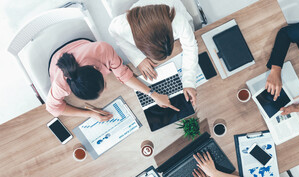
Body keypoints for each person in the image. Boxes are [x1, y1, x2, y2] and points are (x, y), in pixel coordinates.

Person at [47, 39, 179, 121]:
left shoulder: (103, 50)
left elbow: (123, 75)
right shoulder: (60, 84)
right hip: (57, 63)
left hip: (84, 46)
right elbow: (52, 109)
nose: (107, 88)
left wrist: (153, 95)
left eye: (104, 84)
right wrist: (89, 114)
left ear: (96, 68)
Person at [108, 0, 198, 106]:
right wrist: (138, 59)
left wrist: (189, 82)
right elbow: (112, 31)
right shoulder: (123, 26)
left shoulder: (176, 19)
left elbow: (190, 46)